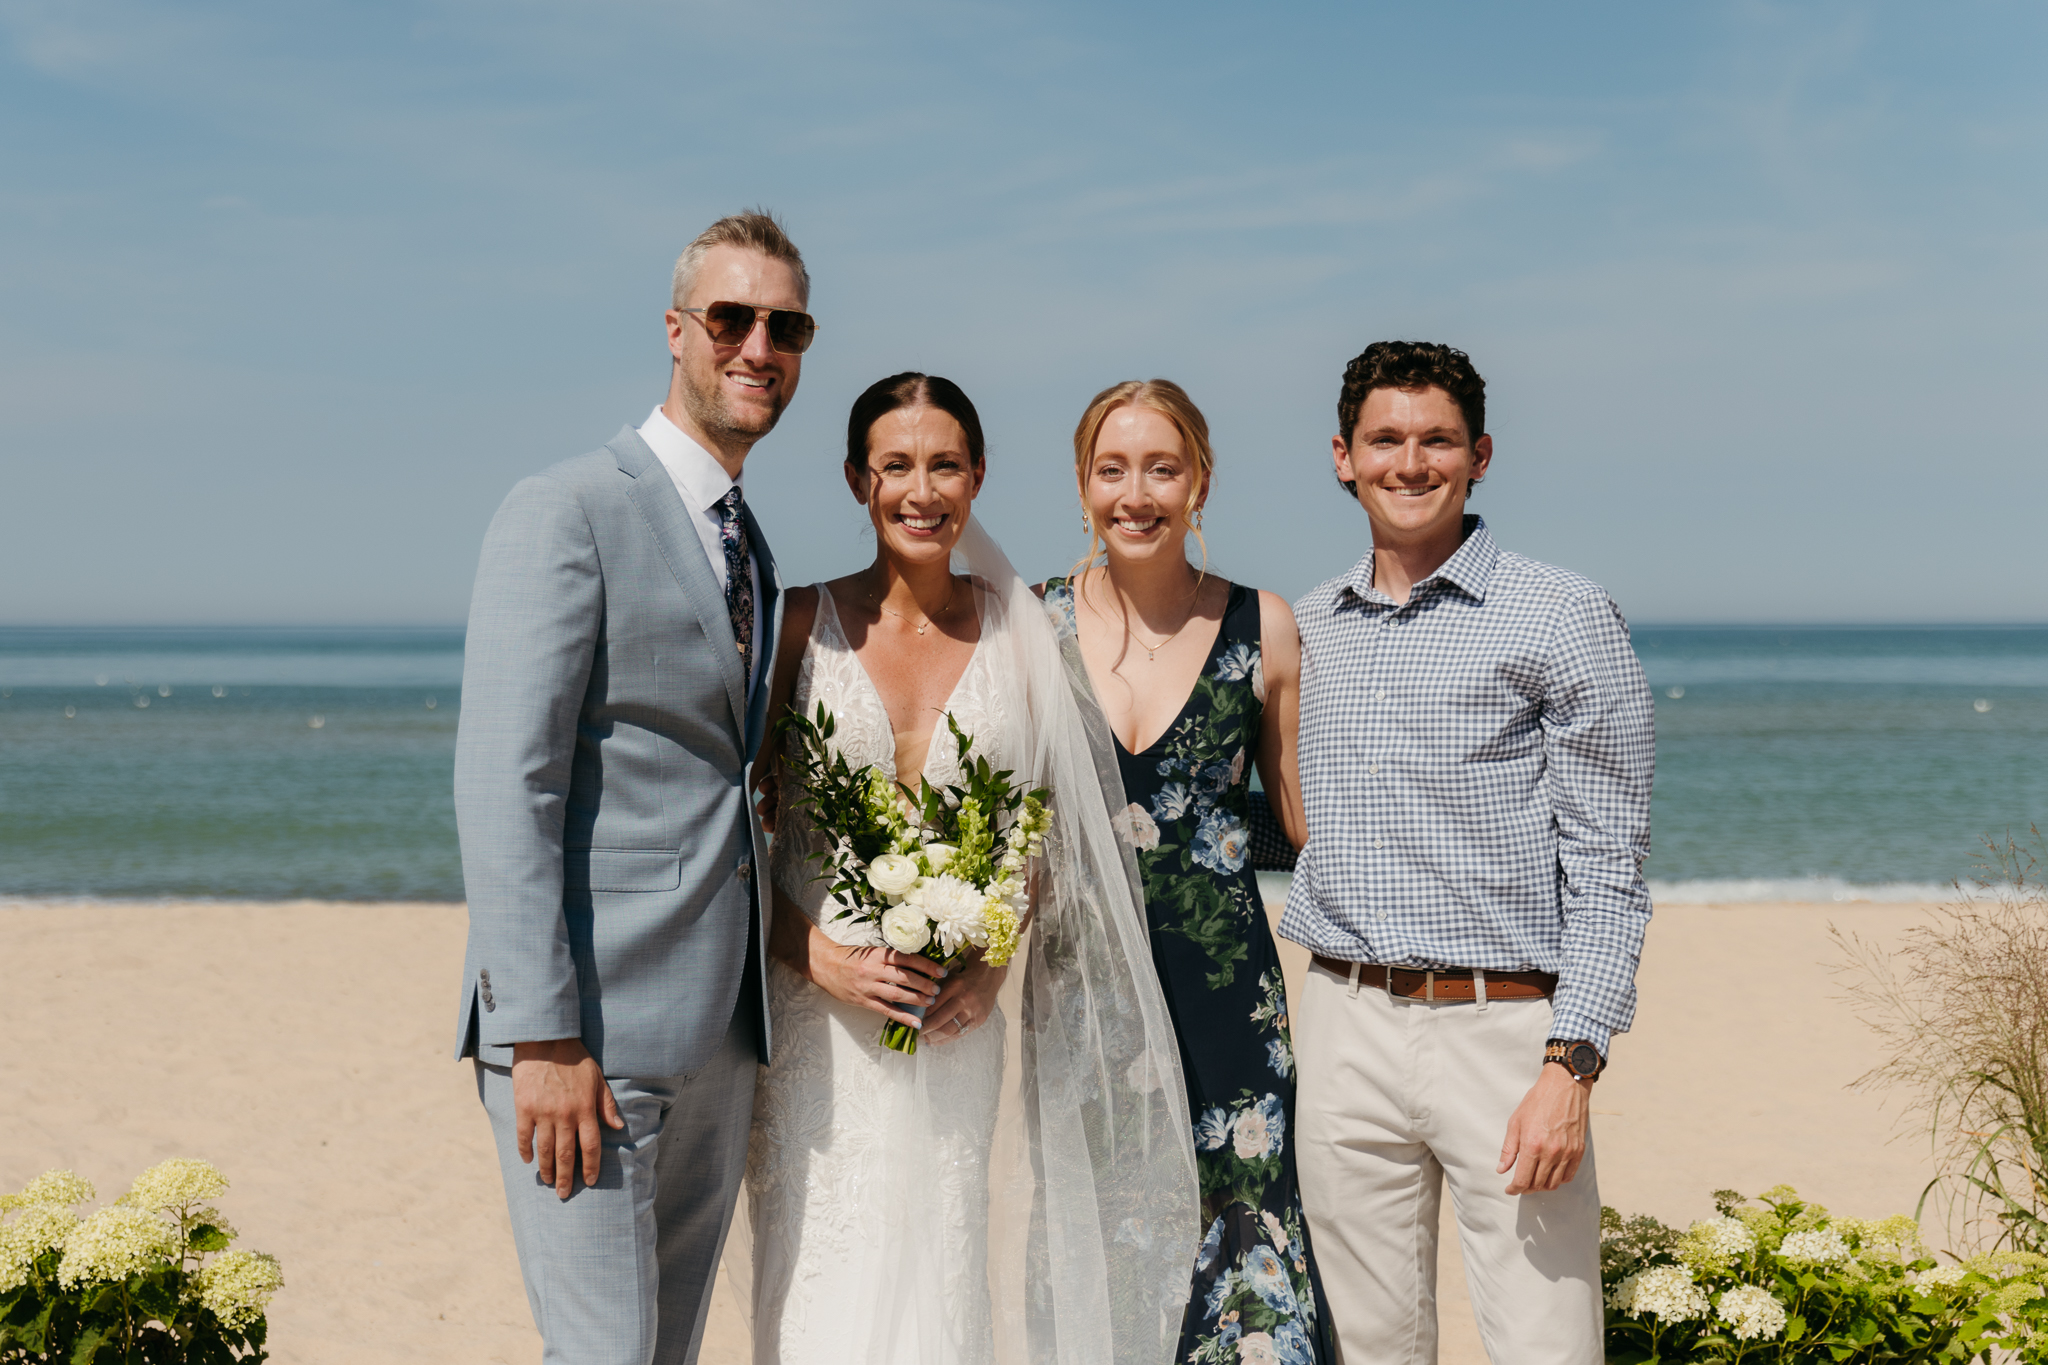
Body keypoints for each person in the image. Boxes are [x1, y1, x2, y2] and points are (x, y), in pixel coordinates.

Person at [739, 373, 1198, 1365]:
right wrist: (811, 952)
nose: (920, 489)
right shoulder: (792, 628)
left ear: (977, 475)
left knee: (942, 1272)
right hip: (816, 1024)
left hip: (954, 1022)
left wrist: (989, 961)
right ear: (857, 479)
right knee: (815, 1277)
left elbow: (1039, 838)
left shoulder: (1020, 632)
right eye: (895, 465)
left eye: (943, 464)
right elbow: (735, 840)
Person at [451, 209, 813, 1365]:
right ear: (676, 331)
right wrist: (541, 1035)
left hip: (718, 1040)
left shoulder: (749, 543)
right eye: (731, 318)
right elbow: (506, 783)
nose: (758, 346)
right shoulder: (567, 508)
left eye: (786, 326)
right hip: (587, 1045)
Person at [1278, 341, 1654, 1363]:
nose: (1410, 463)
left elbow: (1609, 865)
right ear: (1341, 457)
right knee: (1364, 1345)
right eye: (1384, 440)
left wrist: (1569, 1065)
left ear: (1479, 454)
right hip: (1343, 1022)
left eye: (1436, 440)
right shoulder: (1302, 628)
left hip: (1507, 1031)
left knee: (1546, 1342)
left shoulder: (1562, 614)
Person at [1040, 380, 1333, 1365]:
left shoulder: (1266, 625)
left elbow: (1299, 831)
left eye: (1161, 467)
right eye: (1110, 468)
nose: (1135, 492)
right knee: (1111, 1261)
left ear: (1198, 482)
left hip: (1229, 1012)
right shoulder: (1028, 628)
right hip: (1083, 1006)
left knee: (1246, 1258)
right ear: (1082, 485)